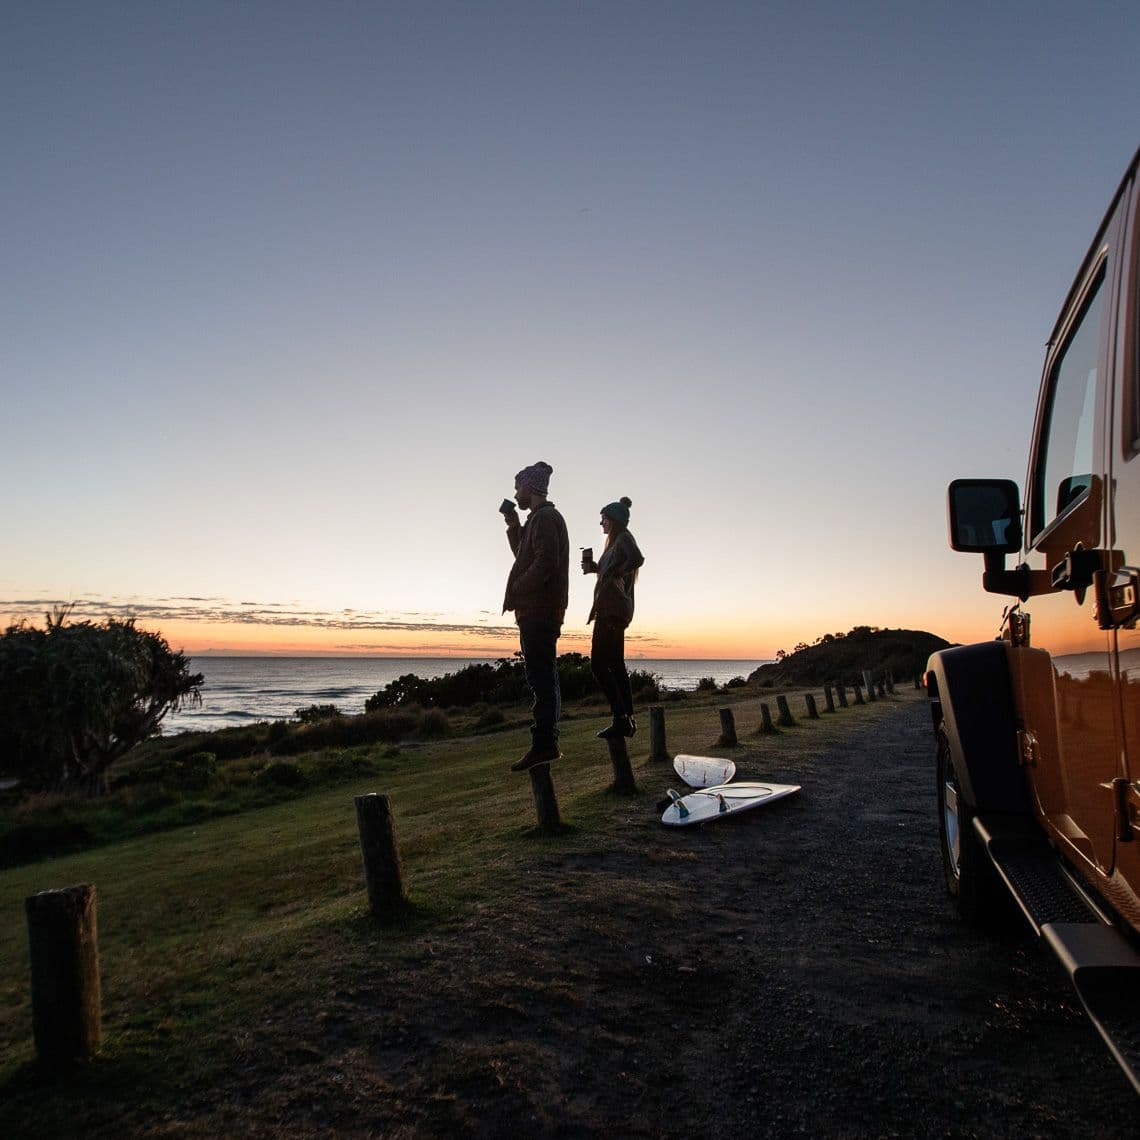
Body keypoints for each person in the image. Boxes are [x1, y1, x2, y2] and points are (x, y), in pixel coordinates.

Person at [501, 461, 570, 772]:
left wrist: (518, 586)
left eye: (518, 487)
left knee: (540, 678)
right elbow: (525, 554)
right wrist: (513, 524)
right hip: (537, 608)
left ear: (530, 487)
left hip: (539, 609)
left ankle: (544, 745)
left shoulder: (545, 518)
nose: (515, 493)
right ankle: (545, 743)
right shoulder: (537, 520)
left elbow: (545, 562)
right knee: (542, 676)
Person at [582, 496, 645, 739]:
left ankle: (621, 718)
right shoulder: (614, 543)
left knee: (598, 665)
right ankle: (627, 719)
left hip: (612, 610)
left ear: (614, 520)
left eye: (604, 519)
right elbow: (616, 568)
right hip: (611, 610)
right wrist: (598, 568)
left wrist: (618, 572)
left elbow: (637, 559)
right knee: (616, 666)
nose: (601, 524)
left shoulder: (624, 537)